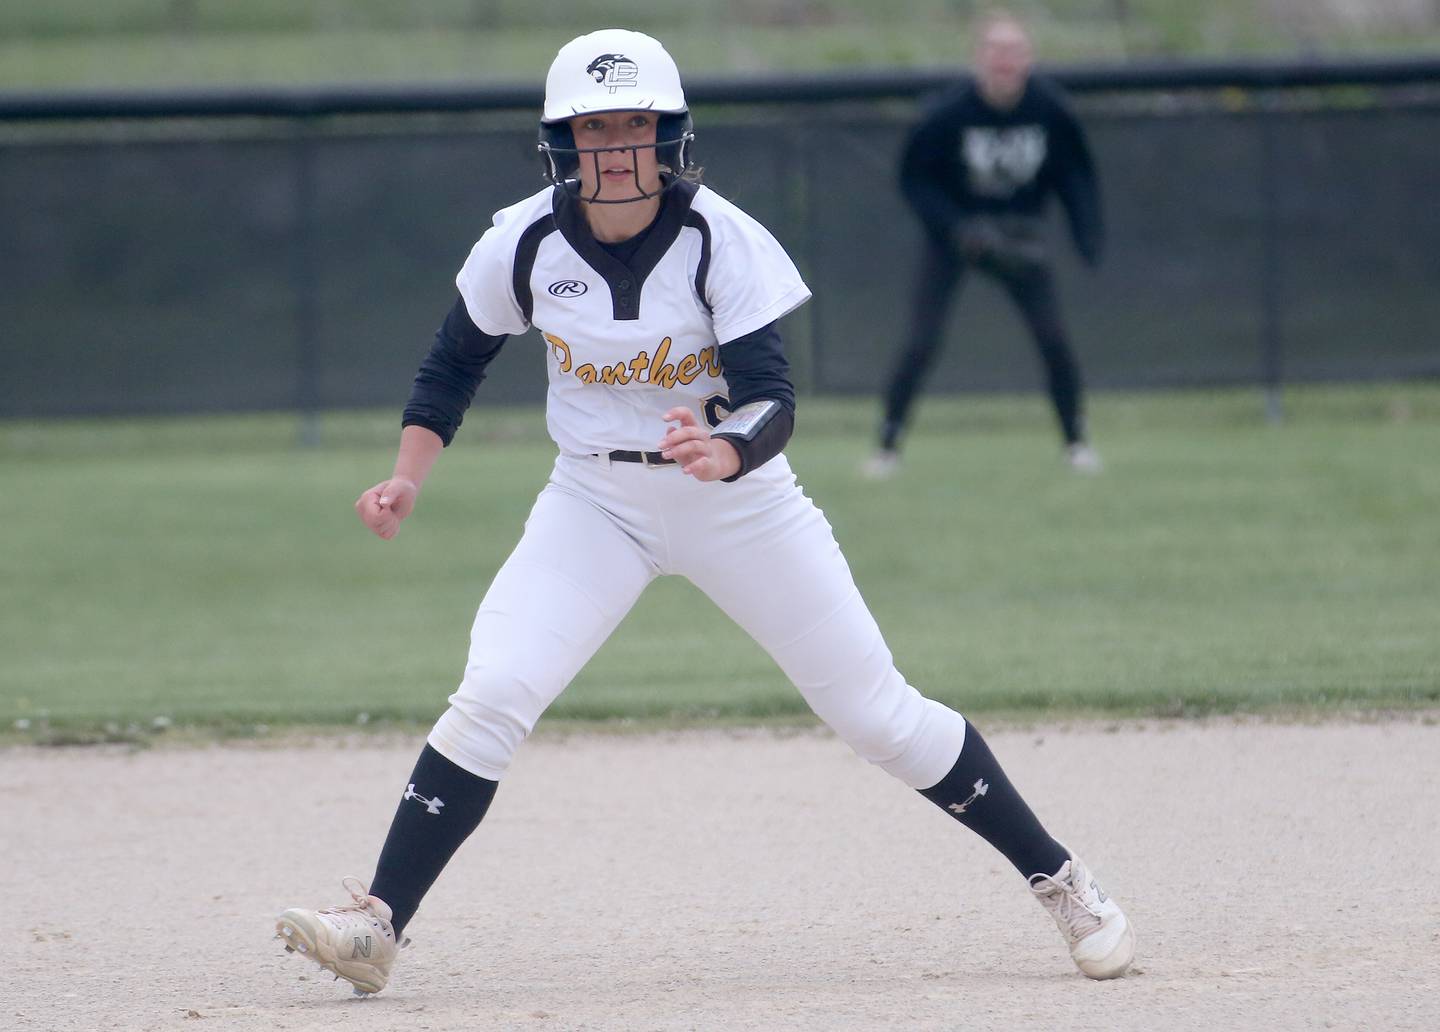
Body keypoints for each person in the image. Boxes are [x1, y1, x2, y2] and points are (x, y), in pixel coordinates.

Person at [273, 28, 1134, 996]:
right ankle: (377, 926)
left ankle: (1062, 879)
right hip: (595, 499)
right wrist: (407, 477)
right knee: (494, 689)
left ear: (671, 134)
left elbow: (773, 393)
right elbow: (453, 364)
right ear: (560, 141)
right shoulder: (521, 239)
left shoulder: (721, 235)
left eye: (633, 123)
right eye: (592, 126)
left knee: (877, 715)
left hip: (740, 503)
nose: (613, 146)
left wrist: (725, 448)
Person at [865, 10, 1105, 479]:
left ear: (1029, 58)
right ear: (979, 58)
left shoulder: (1049, 109)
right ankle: (887, 445)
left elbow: (1075, 173)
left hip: (1019, 236)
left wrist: (1087, 235)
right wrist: (956, 227)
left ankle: (1076, 442)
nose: (1005, 61)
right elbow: (915, 178)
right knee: (922, 340)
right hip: (956, 238)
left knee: (1052, 337)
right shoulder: (949, 113)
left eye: (1015, 51)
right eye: (996, 51)